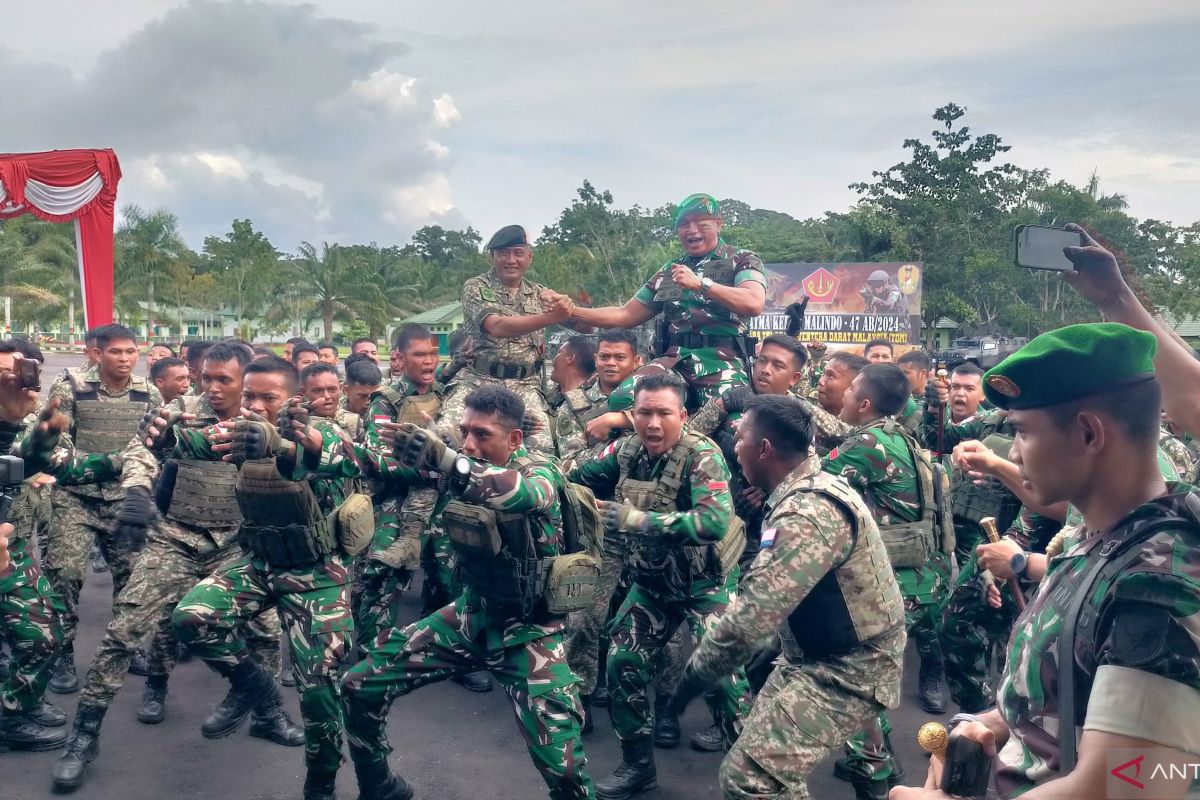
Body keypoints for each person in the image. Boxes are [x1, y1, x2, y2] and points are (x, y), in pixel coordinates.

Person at [892, 322, 1200, 800]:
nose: (1012, 452)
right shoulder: (1100, 535)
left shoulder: (1156, 582)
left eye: (1022, 433)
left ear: (1088, 433)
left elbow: (1121, 786)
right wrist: (994, 722)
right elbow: (1073, 696)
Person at [39, 343, 294, 792]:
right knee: (124, 631)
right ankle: (83, 738)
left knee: (266, 630)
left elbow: (301, 462)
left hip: (238, 540)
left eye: (224, 381)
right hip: (175, 536)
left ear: (245, 380)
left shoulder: (268, 420)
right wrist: (138, 490)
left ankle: (267, 714)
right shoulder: (180, 410)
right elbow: (140, 450)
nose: (212, 388)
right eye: (206, 378)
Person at [342, 384, 594, 800]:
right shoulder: (459, 468)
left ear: (514, 439)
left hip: (529, 632)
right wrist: (313, 445)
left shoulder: (540, 468)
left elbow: (524, 495)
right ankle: (379, 786)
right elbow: (377, 465)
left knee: (565, 769)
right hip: (470, 616)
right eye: (465, 432)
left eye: (483, 434)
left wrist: (446, 457)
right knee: (358, 684)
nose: (470, 443)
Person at [670, 394, 906, 800]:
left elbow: (749, 620)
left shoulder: (806, 513)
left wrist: (688, 684)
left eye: (739, 437)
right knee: (754, 758)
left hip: (852, 667)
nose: (734, 445)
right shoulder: (805, 490)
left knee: (750, 777)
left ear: (763, 449)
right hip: (816, 655)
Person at [171, 356, 357, 800]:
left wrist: (279, 442)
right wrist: (167, 435)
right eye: (248, 395)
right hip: (259, 562)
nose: (254, 405)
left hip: (317, 573)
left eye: (267, 397)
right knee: (191, 618)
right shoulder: (237, 431)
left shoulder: (322, 430)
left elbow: (321, 454)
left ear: (292, 399)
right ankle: (253, 687)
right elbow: (196, 443)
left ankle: (321, 784)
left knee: (318, 694)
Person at [569, 372, 751, 799]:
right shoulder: (628, 449)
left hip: (704, 585)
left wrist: (639, 520)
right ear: (632, 414)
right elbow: (577, 472)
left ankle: (751, 775)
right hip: (652, 585)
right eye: (644, 413)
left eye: (663, 414)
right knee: (622, 663)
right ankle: (638, 766)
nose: (653, 424)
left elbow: (713, 522)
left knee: (722, 679)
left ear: (683, 415)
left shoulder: (702, 455)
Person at [825, 363, 951, 798]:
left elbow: (814, 488)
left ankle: (875, 777)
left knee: (854, 679)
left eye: (850, 389)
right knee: (871, 676)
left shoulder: (865, 444)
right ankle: (882, 759)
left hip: (895, 585)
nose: (841, 396)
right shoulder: (903, 438)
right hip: (924, 579)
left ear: (864, 403)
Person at [42, 324, 162, 694]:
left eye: (131, 351)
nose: (125, 359)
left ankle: (129, 649)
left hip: (125, 499)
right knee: (64, 574)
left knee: (133, 582)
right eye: (116, 352)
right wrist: (109, 462)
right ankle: (62, 654)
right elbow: (57, 445)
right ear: (97, 353)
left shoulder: (149, 394)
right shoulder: (71, 386)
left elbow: (154, 447)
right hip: (75, 497)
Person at [564, 193, 766, 412]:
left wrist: (701, 285)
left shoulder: (741, 259)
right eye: (684, 225)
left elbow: (753, 302)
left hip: (723, 362)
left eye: (701, 224)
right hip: (673, 361)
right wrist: (571, 311)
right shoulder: (670, 271)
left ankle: (695, 441)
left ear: (718, 225)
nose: (692, 231)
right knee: (623, 399)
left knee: (736, 423)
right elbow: (624, 315)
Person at [438, 225, 575, 455]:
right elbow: (496, 326)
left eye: (518, 253)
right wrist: (550, 316)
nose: (511, 260)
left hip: (525, 385)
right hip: (478, 380)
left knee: (541, 447)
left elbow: (581, 323)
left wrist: (569, 308)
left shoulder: (540, 293)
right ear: (492, 257)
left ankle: (534, 490)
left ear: (529, 257)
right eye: (503, 253)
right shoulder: (477, 287)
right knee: (446, 436)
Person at [0, 343, 69, 752]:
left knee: (44, 632)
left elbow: (58, 462)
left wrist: (14, 424)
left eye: (15, 370)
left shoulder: (26, 413)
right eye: (1, 373)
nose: (11, 380)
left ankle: (17, 704)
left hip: (14, 541)